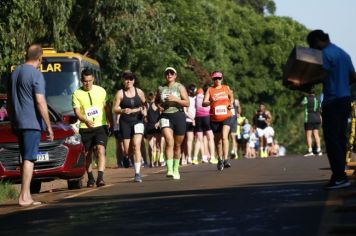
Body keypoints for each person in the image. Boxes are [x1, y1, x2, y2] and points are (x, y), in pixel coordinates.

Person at [307, 29, 356, 189]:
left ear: (318, 41)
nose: (313, 49)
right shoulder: (343, 54)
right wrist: (342, 85)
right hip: (345, 99)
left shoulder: (326, 55)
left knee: (332, 139)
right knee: (341, 137)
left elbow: (322, 75)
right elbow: (353, 77)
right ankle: (341, 174)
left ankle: (339, 176)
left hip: (333, 100)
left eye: (312, 45)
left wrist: (303, 82)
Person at [8, 44, 54, 206]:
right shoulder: (36, 74)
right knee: (29, 158)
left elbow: (10, 100)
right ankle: (23, 197)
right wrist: (48, 126)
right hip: (31, 123)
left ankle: (26, 195)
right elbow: (40, 101)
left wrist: (13, 119)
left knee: (24, 157)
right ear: (39, 58)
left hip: (17, 122)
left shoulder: (15, 72)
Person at [72, 68, 111, 187]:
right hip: (85, 126)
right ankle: (90, 178)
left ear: (93, 79)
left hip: (100, 125)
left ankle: (100, 178)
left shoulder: (101, 91)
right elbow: (77, 112)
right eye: (85, 81)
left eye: (89, 81)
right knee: (87, 154)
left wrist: (110, 121)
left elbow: (106, 107)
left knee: (100, 149)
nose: (87, 83)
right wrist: (85, 120)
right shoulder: (76, 93)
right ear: (81, 81)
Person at [156, 67, 189, 180]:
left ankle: (176, 169)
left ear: (175, 76)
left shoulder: (180, 87)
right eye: (167, 73)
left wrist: (176, 99)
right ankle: (169, 169)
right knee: (169, 141)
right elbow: (156, 101)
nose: (169, 74)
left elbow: (187, 103)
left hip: (178, 115)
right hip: (166, 116)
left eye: (171, 73)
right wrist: (159, 106)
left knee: (177, 145)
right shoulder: (161, 88)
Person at [112, 71, 146, 182]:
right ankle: (126, 157)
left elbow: (145, 105)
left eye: (131, 79)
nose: (129, 81)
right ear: (123, 80)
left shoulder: (139, 92)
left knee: (136, 145)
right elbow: (114, 109)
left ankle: (137, 173)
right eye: (126, 79)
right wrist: (122, 110)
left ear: (134, 80)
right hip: (125, 122)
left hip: (138, 121)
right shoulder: (120, 93)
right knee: (127, 150)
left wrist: (144, 111)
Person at [203, 71, 233, 171]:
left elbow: (231, 96)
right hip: (214, 118)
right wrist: (211, 101)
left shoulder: (226, 88)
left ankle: (226, 159)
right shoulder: (210, 90)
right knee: (218, 141)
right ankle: (220, 159)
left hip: (226, 116)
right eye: (215, 79)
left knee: (224, 137)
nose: (217, 80)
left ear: (222, 79)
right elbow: (204, 103)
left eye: (219, 78)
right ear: (213, 80)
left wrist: (231, 104)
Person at [192, 86, 217, 164]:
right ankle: (212, 157)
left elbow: (193, 108)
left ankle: (195, 158)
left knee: (199, 139)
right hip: (206, 117)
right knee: (210, 137)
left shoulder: (195, 98)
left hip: (198, 118)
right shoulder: (207, 97)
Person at [302, 88, 322, 157]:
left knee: (308, 135)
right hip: (317, 117)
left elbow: (302, 103)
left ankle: (310, 151)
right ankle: (319, 150)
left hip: (309, 118)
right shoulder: (318, 98)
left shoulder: (306, 98)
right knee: (316, 134)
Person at [145, 91, 161, 167]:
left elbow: (162, 116)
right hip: (150, 126)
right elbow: (145, 116)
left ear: (155, 96)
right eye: (150, 95)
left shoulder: (159, 106)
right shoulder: (147, 105)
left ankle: (157, 161)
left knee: (158, 145)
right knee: (150, 145)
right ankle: (151, 161)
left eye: (152, 95)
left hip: (157, 127)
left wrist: (158, 123)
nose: (151, 97)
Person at [183, 84, 196, 165]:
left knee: (189, 141)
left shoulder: (193, 99)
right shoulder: (187, 99)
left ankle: (188, 157)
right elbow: (185, 111)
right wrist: (192, 119)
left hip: (191, 121)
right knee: (185, 141)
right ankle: (185, 157)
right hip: (187, 121)